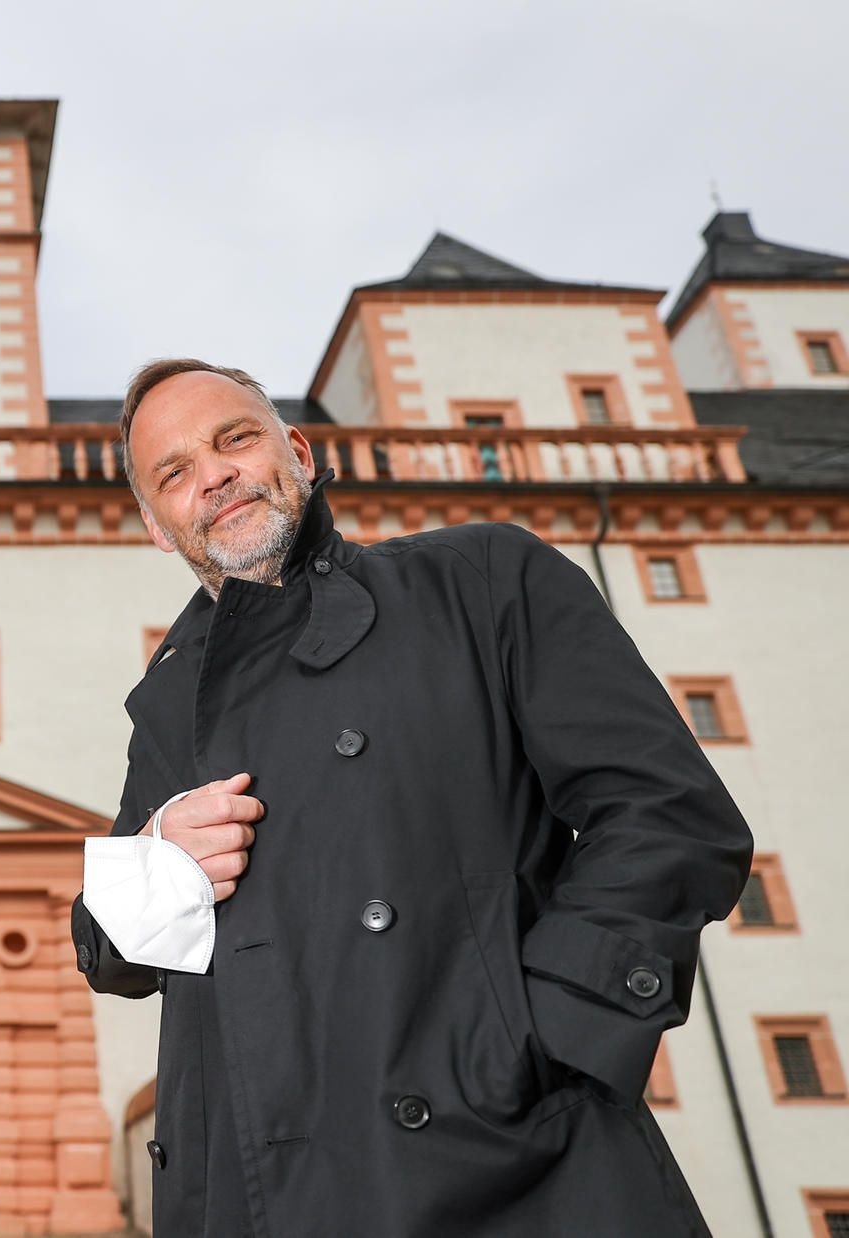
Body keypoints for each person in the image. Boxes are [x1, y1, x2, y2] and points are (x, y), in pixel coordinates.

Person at [69, 360, 753, 1237]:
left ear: (300, 451)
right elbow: (106, 956)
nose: (213, 473)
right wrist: (157, 861)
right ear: (159, 528)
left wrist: (537, 1046)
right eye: (173, 471)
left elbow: (668, 813)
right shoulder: (167, 702)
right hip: (250, 1192)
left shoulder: (481, 580)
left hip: (504, 1171)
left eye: (235, 437)